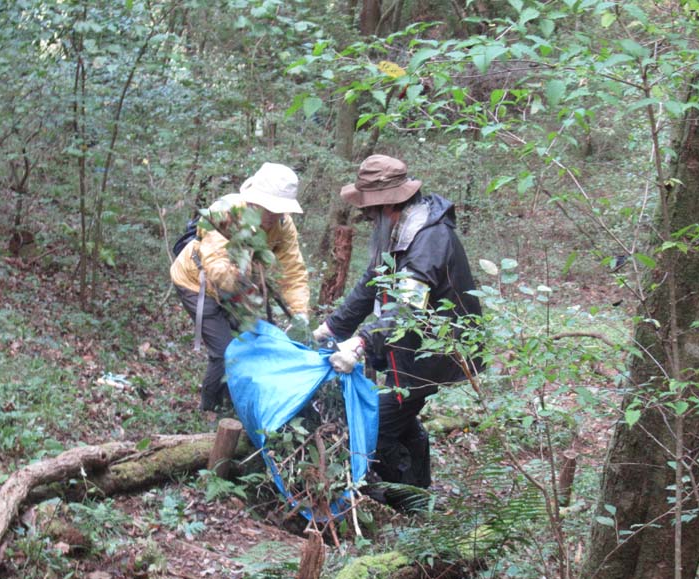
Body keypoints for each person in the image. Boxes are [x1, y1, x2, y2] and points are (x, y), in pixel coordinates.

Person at [313, 154, 483, 489]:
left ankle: (405, 499)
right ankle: (420, 492)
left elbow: (407, 307)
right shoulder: (400, 230)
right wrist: (333, 327)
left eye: (370, 211)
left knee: (376, 428)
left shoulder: (428, 239)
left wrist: (361, 342)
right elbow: (372, 282)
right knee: (399, 419)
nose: (367, 218)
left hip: (431, 353)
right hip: (408, 349)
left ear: (388, 204)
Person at [171, 163, 310, 413]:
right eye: (270, 208)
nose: (274, 215)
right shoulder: (226, 212)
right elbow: (216, 267)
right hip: (195, 282)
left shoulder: (283, 225)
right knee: (225, 352)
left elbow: (293, 271)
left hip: (239, 291)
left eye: (280, 210)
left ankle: (233, 402)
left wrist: (300, 313)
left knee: (248, 343)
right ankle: (208, 409)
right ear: (255, 200)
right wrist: (244, 270)